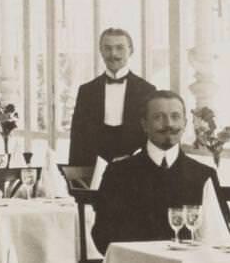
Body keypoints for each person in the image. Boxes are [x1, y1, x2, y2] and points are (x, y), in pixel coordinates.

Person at [92, 90, 218, 253]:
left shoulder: (204, 175)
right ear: (144, 125)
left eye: (175, 117)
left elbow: (216, 237)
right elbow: (102, 235)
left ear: (185, 123)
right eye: (159, 117)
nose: (169, 124)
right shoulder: (118, 173)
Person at [68, 28, 157, 167]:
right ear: (101, 51)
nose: (113, 54)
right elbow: (77, 138)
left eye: (119, 48)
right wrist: (76, 178)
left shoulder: (147, 90)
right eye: (107, 48)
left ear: (131, 50)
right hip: (94, 169)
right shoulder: (86, 90)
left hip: (135, 168)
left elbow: (152, 136)